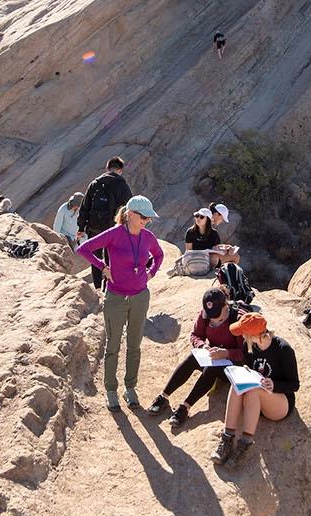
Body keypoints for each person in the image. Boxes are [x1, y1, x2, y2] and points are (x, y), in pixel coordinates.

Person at [76, 195, 164, 412]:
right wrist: (102, 267)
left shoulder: (148, 236)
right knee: (113, 346)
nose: (146, 221)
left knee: (135, 345)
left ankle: (130, 387)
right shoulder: (115, 234)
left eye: (149, 218)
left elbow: (159, 255)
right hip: (116, 297)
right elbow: (83, 248)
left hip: (140, 296)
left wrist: (150, 273)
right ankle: (111, 390)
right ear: (130, 214)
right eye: (143, 217)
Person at [146, 287, 245, 428]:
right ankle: (164, 396)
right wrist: (202, 346)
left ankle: (185, 407)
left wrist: (226, 353)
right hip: (214, 355)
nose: (213, 318)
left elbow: (246, 353)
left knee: (212, 369)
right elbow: (195, 335)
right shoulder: (205, 315)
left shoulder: (238, 318)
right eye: (211, 315)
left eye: (217, 315)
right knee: (192, 357)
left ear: (225, 305)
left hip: (233, 365)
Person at [209, 313, 298, 468]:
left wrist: (274, 385)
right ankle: (227, 439)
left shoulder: (283, 349)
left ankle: (245, 445)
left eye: (244, 333)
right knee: (237, 384)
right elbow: (249, 371)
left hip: (279, 404)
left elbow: (294, 385)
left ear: (252, 335)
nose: (241, 336)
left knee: (255, 390)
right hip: (255, 402)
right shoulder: (248, 346)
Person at [76, 157, 133, 290]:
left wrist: (81, 227)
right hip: (113, 230)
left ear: (107, 168)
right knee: (111, 260)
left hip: (94, 228)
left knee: (95, 259)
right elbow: (130, 208)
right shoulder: (122, 186)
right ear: (120, 170)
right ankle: (108, 288)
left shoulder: (95, 184)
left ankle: (96, 289)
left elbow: (84, 207)